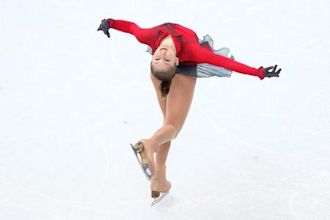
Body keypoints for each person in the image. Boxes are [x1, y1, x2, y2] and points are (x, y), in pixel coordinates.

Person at [97, 18, 281, 202]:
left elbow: (131, 27)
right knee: (172, 129)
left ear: (175, 60)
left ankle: (159, 180)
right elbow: (226, 63)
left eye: (162, 57)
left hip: (164, 72)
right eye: (161, 58)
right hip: (167, 74)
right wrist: (258, 72)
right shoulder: (184, 51)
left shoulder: (159, 40)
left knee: (166, 126)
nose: (161, 53)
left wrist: (109, 22)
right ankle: (148, 144)